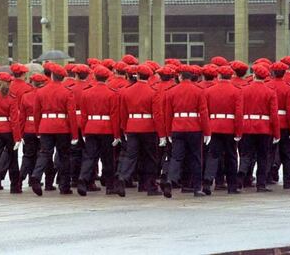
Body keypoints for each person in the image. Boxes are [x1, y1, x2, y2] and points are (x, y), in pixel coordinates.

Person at [114, 64, 166, 197]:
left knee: (131, 156)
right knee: (150, 157)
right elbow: (158, 115)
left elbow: (123, 112)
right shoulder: (153, 91)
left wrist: (125, 128)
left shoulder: (127, 91)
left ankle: (122, 178)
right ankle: (150, 186)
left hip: (132, 125)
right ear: (149, 76)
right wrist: (161, 134)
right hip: (148, 126)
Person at [162, 64, 211, 198]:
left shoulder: (171, 91)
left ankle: (170, 180)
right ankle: (196, 188)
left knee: (176, 157)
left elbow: (167, 114)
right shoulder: (199, 91)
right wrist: (207, 132)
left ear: (180, 76)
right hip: (194, 127)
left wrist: (168, 132)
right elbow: (203, 113)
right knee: (196, 158)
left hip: (177, 126)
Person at [30, 63, 78, 196]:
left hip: (45, 125)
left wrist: (38, 129)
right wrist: (74, 134)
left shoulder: (41, 91)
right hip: (62, 126)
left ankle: (36, 175)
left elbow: (36, 113)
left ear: (51, 75)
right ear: (62, 78)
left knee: (44, 153)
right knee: (64, 157)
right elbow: (72, 115)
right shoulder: (67, 92)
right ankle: (64, 186)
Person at [77, 65, 120, 196]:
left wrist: (84, 131)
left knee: (89, 157)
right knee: (108, 158)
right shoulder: (112, 93)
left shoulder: (86, 92)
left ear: (94, 77)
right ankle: (110, 185)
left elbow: (84, 115)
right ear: (107, 78)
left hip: (90, 126)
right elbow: (114, 115)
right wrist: (116, 134)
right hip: (106, 128)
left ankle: (83, 179)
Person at [238, 65, 280, 192]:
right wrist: (276, 133)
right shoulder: (270, 92)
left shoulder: (243, 90)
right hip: (264, 128)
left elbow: (240, 111)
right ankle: (261, 184)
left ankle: (241, 176)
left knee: (246, 154)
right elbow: (274, 114)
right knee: (263, 156)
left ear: (254, 75)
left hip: (247, 126)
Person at [202, 65, 243, 195]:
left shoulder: (209, 91)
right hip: (229, 126)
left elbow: (205, 112)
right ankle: (232, 186)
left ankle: (208, 182)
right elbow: (238, 114)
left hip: (214, 125)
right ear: (231, 76)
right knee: (231, 156)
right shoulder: (236, 91)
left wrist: (206, 128)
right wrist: (238, 131)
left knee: (213, 156)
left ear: (219, 76)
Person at [18, 73, 56, 190]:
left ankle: (19, 180)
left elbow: (22, 117)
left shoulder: (26, 96)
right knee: (46, 156)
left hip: (29, 128)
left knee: (28, 156)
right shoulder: (46, 94)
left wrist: (21, 132)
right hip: (42, 128)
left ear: (33, 83)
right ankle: (48, 183)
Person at [266, 62, 290, 189]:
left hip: (270, 123)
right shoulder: (289, 88)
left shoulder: (267, 85)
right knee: (287, 154)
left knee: (269, 152)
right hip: (284, 123)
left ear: (272, 73)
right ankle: (288, 181)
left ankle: (266, 177)